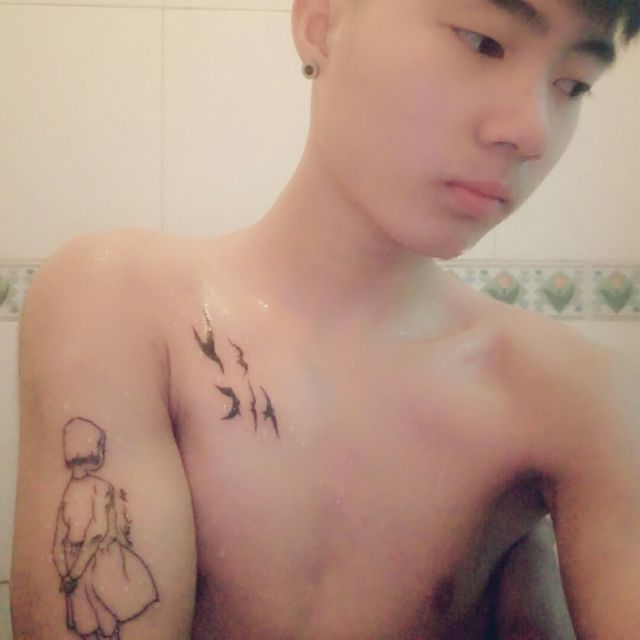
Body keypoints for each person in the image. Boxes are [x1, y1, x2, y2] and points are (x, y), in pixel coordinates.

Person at [10, 0, 640, 638]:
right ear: (321, 23)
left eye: (574, 85)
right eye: (482, 43)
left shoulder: (572, 399)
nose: (534, 131)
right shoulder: (119, 303)